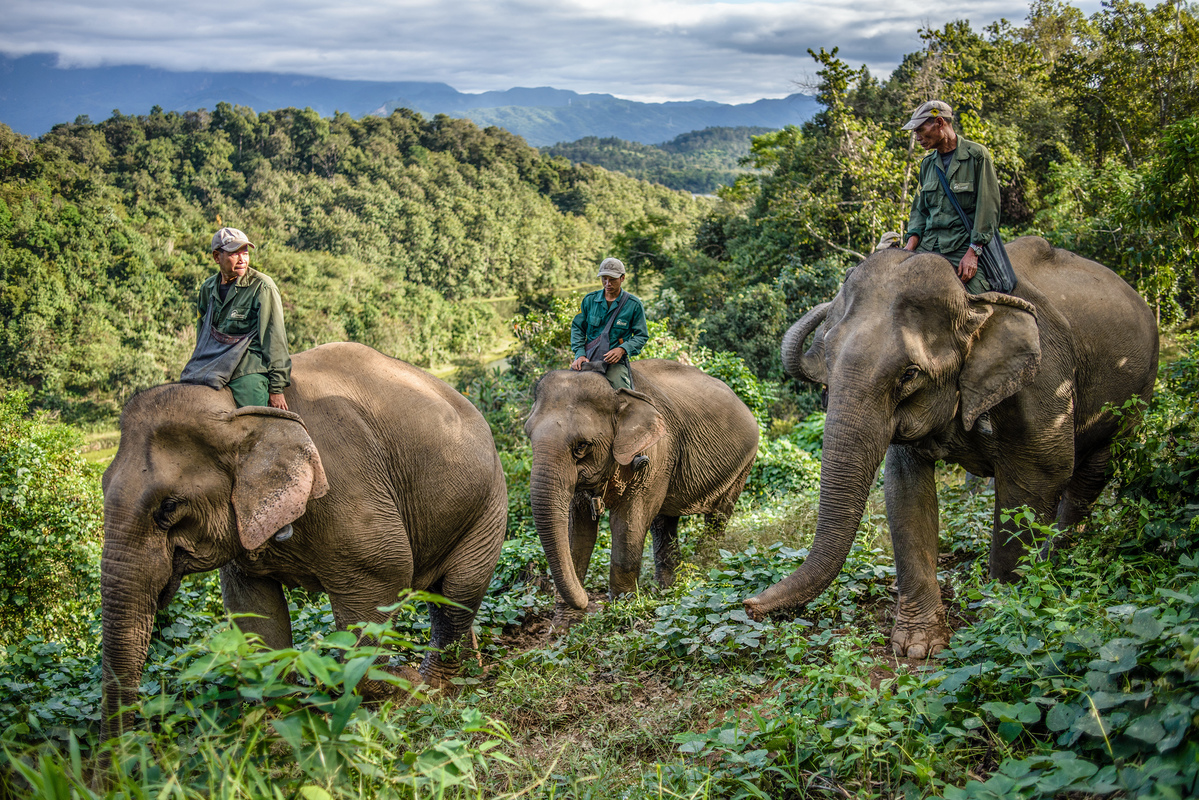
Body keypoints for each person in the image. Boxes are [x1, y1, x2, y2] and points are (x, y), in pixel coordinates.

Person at [900, 100, 1002, 295]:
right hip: (928, 246)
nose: (917, 137)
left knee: (975, 299)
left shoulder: (977, 156)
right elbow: (919, 210)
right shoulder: (928, 164)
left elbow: (988, 207)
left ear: (939, 122)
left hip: (962, 247)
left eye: (920, 129)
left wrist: (974, 252)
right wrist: (909, 248)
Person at [183, 227, 292, 409]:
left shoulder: (263, 287)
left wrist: (277, 388)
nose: (243, 259)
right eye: (235, 253)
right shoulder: (207, 289)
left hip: (247, 365)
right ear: (217, 257)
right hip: (213, 362)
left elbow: (274, 338)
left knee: (254, 421)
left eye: (246, 253)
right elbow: (202, 334)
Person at [570, 256, 650, 470]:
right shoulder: (589, 301)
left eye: (612, 279)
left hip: (613, 363)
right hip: (589, 361)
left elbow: (641, 336)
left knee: (625, 401)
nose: (608, 283)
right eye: (604, 278)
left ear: (622, 278)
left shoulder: (633, 305)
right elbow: (578, 328)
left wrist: (623, 349)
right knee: (566, 396)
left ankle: (634, 453)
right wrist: (579, 354)